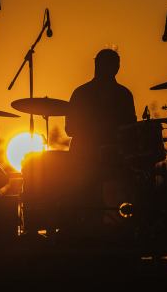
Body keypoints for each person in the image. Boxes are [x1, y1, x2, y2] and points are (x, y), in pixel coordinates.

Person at [65, 49, 137, 221]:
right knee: (92, 204)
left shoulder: (82, 93)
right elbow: (70, 129)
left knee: (94, 205)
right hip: (89, 160)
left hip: (109, 159)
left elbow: (131, 129)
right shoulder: (122, 94)